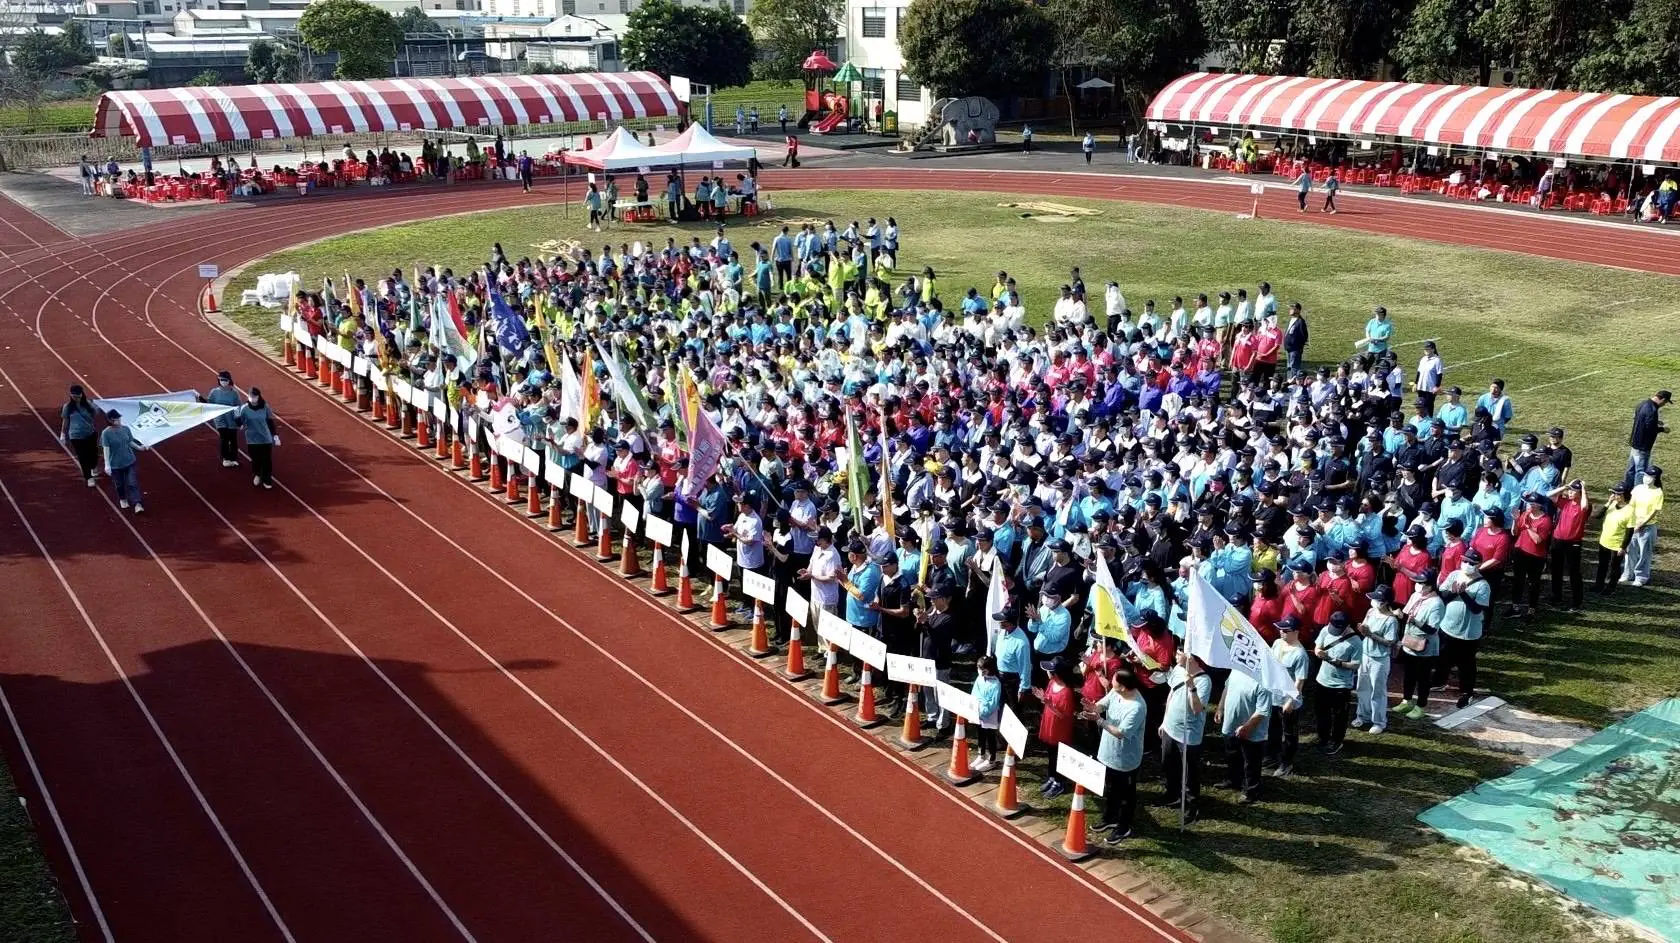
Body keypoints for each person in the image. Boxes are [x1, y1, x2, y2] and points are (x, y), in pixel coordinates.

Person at [1089, 664, 1146, 843]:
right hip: (1107, 752)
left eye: (1114, 680)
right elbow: (1102, 704)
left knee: (1126, 796)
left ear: (1123, 686)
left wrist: (1099, 721)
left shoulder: (1137, 707)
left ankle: (1123, 827)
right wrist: (1093, 707)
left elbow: (1121, 733)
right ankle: (1109, 818)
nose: (1110, 682)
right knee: (1111, 789)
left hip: (1125, 760)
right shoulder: (1116, 692)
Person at [1158, 650, 1209, 822]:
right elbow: (1171, 694)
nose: (1175, 656)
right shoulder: (1178, 670)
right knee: (1168, 764)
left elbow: (1197, 709)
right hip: (1170, 728)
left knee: (1189, 773)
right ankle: (1172, 795)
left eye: (1180, 653)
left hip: (1188, 734)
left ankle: (1191, 806)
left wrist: (1191, 687)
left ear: (1191, 658)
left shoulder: (1204, 681)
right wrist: (1164, 721)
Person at [1437, 549, 1490, 708]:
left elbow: (1477, 609)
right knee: (1443, 657)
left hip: (1468, 633)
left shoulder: (1483, 585)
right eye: (1465, 561)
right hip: (1448, 627)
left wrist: (1464, 593)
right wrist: (1454, 593)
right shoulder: (1454, 575)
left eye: (1471, 563)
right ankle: (1439, 682)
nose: (1467, 564)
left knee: (1466, 664)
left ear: (1478, 565)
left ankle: (1466, 692)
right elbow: (1443, 596)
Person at [1215, 663, 1271, 801]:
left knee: (1251, 762)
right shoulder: (1236, 670)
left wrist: (1247, 727)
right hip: (1231, 724)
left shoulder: (1264, 682)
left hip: (1252, 732)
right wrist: (1220, 708)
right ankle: (1234, 780)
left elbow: (1262, 711)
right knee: (1232, 755)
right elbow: (1227, 688)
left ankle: (1251, 790)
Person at [1395, 569, 1443, 719]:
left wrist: (1415, 621)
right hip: (1409, 642)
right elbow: (1406, 614)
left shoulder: (1436, 603)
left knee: (1423, 678)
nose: (1418, 585)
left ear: (1430, 586)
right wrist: (1400, 615)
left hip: (1425, 647)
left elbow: (1432, 629)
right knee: (1408, 675)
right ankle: (1407, 700)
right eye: (1417, 582)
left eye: (1422, 583)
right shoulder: (1415, 595)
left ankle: (1421, 705)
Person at [1352, 585, 1399, 734]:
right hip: (1365, 654)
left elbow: (1390, 642)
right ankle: (1362, 716)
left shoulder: (1391, 620)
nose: (1374, 601)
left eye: (1378, 599)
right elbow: (1365, 627)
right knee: (1362, 687)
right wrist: (1362, 630)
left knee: (1377, 691)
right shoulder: (1371, 611)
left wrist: (1370, 635)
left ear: (1385, 602)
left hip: (1380, 659)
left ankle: (1379, 722)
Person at [1312, 611, 1360, 756]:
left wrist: (1336, 662)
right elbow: (1317, 647)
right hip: (1322, 680)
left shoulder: (1355, 642)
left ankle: (1337, 741)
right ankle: (1323, 737)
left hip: (1341, 685)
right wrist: (1318, 652)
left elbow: (1355, 665)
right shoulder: (1325, 630)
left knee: (1340, 715)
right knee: (1322, 713)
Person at [1265, 616, 1308, 777]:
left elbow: (1300, 680)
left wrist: (1290, 700)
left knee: (1289, 733)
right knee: (1273, 729)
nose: (1281, 632)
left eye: (1285, 630)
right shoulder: (1277, 643)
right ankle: (1271, 756)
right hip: (1273, 696)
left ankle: (1286, 763)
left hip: (1288, 701)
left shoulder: (1300, 654)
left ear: (1295, 632)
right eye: (1280, 629)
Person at [1622, 465, 1663, 587]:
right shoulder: (1638, 488)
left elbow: (1653, 512)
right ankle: (1628, 574)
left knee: (1645, 553)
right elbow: (1631, 505)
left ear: (1655, 478)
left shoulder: (1658, 493)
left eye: (1650, 476)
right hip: (1633, 524)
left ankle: (1641, 577)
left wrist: (1641, 524)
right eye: (1646, 475)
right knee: (1630, 550)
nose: (1646, 478)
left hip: (1647, 527)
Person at [100, 409, 145, 514]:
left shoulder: (125, 429)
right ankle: (123, 498)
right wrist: (107, 464)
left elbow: (130, 441)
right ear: (111, 420)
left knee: (132, 483)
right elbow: (106, 449)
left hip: (129, 461)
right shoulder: (106, 433)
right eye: (117, 419)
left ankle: (137, 504)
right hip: (115, 465)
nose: (119, 420)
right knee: (119, 484)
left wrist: (139, 448)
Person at [1626, 390, 1670, 490]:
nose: (1664, 405)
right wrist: (1663, 429)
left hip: (1634, 442)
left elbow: (1639, 418)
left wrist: (1656, 421)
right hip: (1643, 446)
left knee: (1631, 469)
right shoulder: (1652, 410)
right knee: (1640, 470)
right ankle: (1637, 491)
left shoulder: (1642, 404)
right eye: (1665, 402)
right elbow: (1650, 429)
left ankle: (1627, 490)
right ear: (1663, 399)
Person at [1595, 484, 1635, 593]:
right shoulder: (1612, 505)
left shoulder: (1630, 511)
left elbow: (1629, 531)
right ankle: (1599, 585)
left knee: (1614, 567)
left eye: (1617, 494)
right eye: (1614, 493)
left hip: (1616, 544)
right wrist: (1608, 503)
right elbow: (1597, 516)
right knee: (1602, 565)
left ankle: (1611, 587)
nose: (1614, 495)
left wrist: (1623, 547)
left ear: (1624, 495)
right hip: (1604, 541)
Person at [59, 384, 99, 486]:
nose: (76, 398)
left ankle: (93, 466)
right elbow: (65, 421)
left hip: (90, 433)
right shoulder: (68, 407)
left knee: (93, 454)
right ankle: (88, 477)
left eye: (78, 396)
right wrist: (63, 434)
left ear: (82, 395)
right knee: (82, 456)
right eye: (74, 396)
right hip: (76, 435)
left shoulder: (88, 405)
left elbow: (95, 414)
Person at [239, 387, 278, 489]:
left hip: (265, 438)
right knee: (256, 459)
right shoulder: (244, 409)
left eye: (254, 396)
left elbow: (270, 422)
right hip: (252, 439)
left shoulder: (265, 407)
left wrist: (275, 435)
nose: (252, 398)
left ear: (258, 397)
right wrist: (237, 418)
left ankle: (267, 479)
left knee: (266, 460)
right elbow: (240, 422)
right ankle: (257, 474)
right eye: (251, 396)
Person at [971, 656, 1003, 772]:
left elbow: (993, 703)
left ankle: (991, 759)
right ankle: (981, 754)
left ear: (990, 669)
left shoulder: (996, 684)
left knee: (990, 736)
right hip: (978, 712)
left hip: (989, 715)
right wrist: (975, 708)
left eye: (984, 670)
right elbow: (974, 693)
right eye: (979, 669)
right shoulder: (979, 679)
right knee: (980, 734)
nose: (981, 672)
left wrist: (983, 711)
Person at [205, 370, 242, 468]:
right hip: (220, 420)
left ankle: (233, 458)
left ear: (229, 380)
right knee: (224, 438)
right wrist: (199, 398)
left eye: (225, 380)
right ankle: (226, 458)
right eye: (221, 380)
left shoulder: (234, 393)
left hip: (232, 420)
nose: (223, 382)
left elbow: (238, 406)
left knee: (233, 439)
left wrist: (238, 420)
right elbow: (209, 403)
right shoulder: (214, 392)